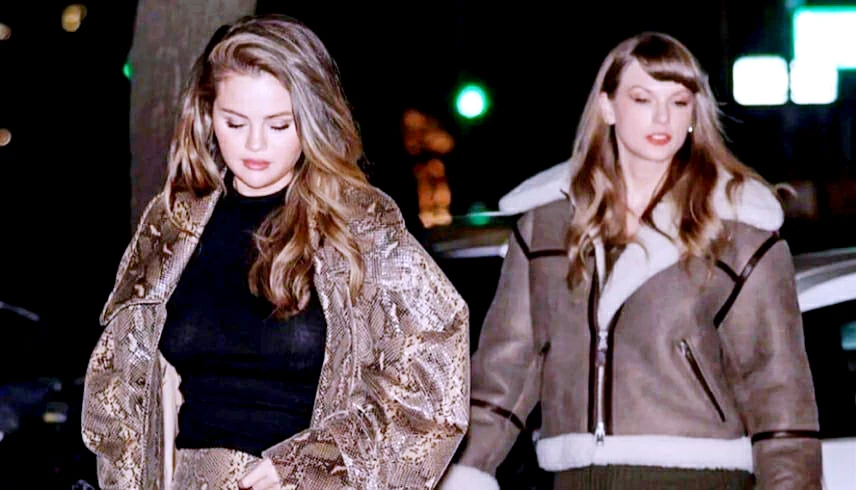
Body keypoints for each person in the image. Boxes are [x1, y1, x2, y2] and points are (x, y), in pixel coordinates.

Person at [81, 14, 470, 490]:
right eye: (235, 122)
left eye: (280, 124)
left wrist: (314, 462)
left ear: (311, 120)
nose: (255, 144)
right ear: (207, 116)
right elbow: (117, 385)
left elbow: (434, 382)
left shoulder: (358, 226)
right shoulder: (173, 225)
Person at [440, 32, 821, 489]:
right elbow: (505, 370)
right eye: (642, 99)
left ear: (694, 114)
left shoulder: (738, 231)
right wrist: (465, 471)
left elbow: (777, 387)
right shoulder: (546, 226)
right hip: (577, 477)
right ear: (607, 107)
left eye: (678, 102)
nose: (662, 117)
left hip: (699, 477)